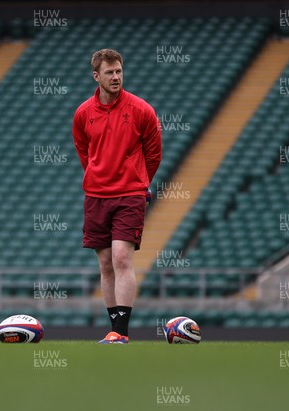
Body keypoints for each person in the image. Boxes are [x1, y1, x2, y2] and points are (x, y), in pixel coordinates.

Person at [72, 49, 162, 344]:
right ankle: (114, 329)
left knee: (122, 257)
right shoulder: (83, 113)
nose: (116, 77)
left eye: (119, 71)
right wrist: (98, 176)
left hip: (130, 195)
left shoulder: (141, 110)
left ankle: (121, 333)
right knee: (105, 263)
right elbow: (85, 153)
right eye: (109, 73)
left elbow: (154, 154)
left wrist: (138, 181)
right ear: (96, 76)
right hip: (96, 196)